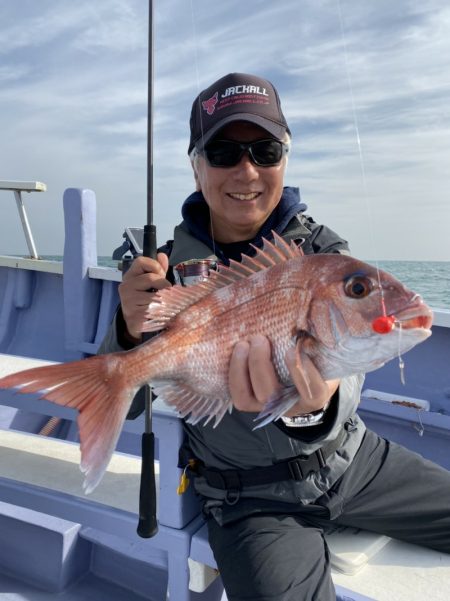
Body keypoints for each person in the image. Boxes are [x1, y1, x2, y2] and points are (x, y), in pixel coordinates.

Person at [99, 72, 450, 601]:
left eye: (265, 150)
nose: (247, 170)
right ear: (196, 165)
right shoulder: (166, 273)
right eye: (223, 152)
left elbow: (347, 366)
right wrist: (129, 333)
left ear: (284, 160)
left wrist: (318, 405)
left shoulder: (324, 254)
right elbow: (128, 403)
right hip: (249, 498)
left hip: (354, 461)